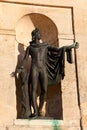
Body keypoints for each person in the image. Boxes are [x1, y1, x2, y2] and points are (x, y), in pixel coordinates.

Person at [18, 28, 79, 118]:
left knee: (44, 90)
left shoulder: (45, 45)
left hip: (43, 68)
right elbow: (25, 60)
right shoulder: (30, 48)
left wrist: (69, 47)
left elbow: (58, 49)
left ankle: (39, 110)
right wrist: (20, 68)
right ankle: (35, 111)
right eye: (38, 34)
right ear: (35, 35)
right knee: (33, 89)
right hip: (34, 68)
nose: (40, 35)